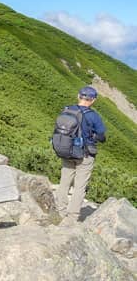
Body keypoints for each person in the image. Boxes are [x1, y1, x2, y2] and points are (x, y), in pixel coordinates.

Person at [55, 86, 106, 225]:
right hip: (84, 155)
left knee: (64, 181)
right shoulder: (93, 115)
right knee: (79, 186)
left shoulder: (67, 109)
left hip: (67, 150)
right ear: (93, 100)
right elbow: (101, 136)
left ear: (79, 96)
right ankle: (71, 218)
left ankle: (60, 210)